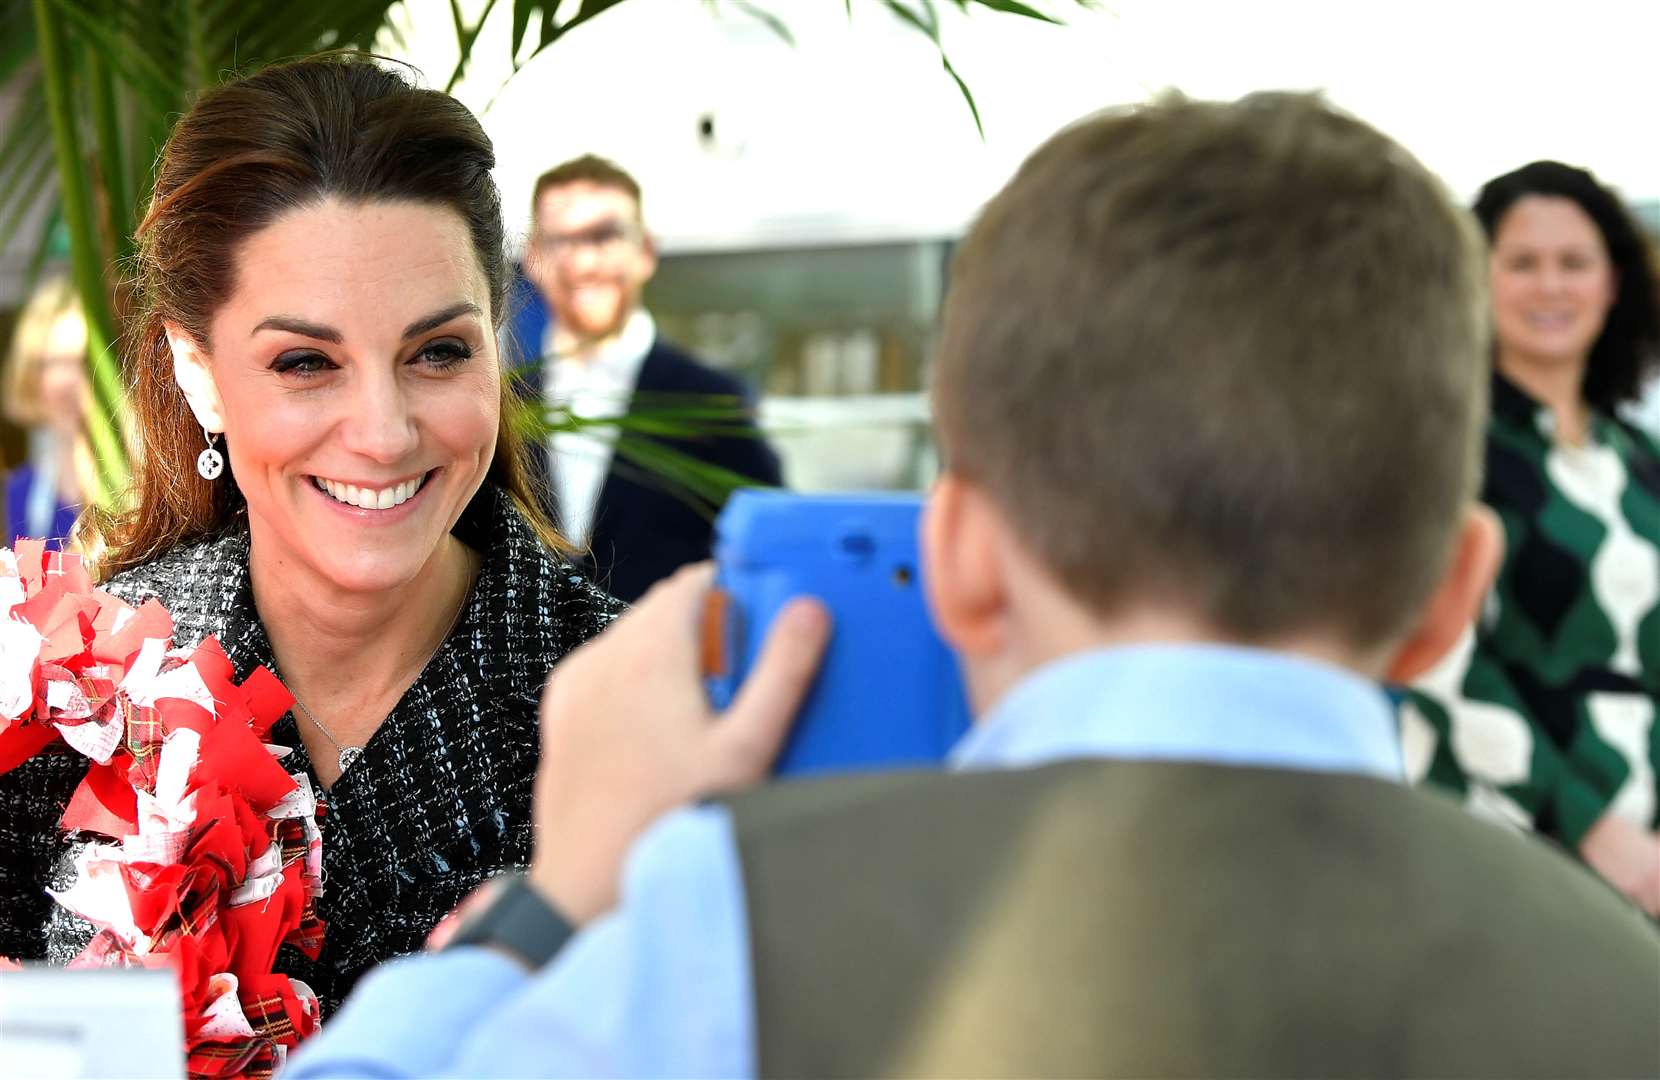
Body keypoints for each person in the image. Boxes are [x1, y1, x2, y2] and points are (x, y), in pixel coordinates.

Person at [290, 94, 1660, 1078]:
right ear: (1454, 590)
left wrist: (559, 902)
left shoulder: (736, 921)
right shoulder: (1618, 990)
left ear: (957, 559)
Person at [0, 56, 622, 1019]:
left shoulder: (629, 706)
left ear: (498, 341)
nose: (382, 431)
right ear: (197, 371)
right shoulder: (66, 702)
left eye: (438, 352)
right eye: (305, 362)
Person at [1402, 161, 1660, 915]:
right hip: (1510, 840)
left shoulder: (1639, 461)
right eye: (1522, 263)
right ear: (1477, 281)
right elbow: (1438, 659)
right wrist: (1591, 828)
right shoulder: (1448, 453)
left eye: (1573, 263)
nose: (1551, 286)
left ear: (1611, 284)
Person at [510, 154, 783, 603]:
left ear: (646, 252)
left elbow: (768, 551)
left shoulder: (712, 403)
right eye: (562, 241)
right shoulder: (504, 404)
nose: (584, 262)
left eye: (604, 237)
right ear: (533, 257)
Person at [2, 274, 93, 551]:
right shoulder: (20, 494)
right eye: (53, 363)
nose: (67, 380)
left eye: (82, 361)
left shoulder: (144, 484)